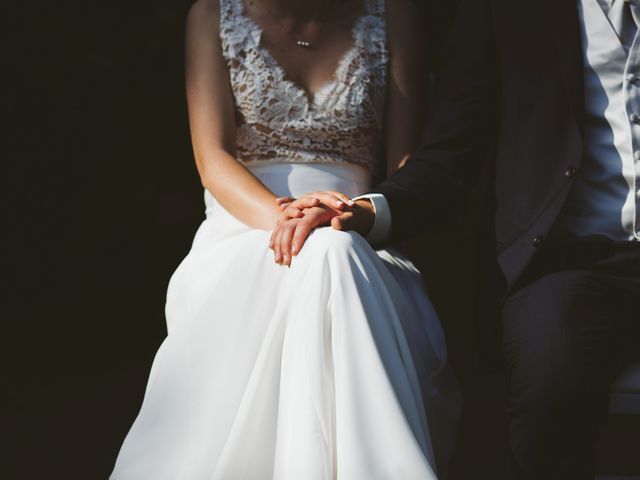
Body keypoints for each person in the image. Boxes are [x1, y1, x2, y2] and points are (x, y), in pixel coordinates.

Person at [277, 0, 640, 478]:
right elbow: (451, 155)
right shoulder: (506, 10)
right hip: (572, 263)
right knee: (550, 393)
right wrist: (361, 212)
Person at [109, 0, 461, 478]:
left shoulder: (394, 16)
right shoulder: (212, 16)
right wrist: (290, 218)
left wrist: (347, 216)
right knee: (321, 253)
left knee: (335, 251)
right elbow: (212, 159)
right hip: (245, 222)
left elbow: (406, 166)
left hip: (355, 223)